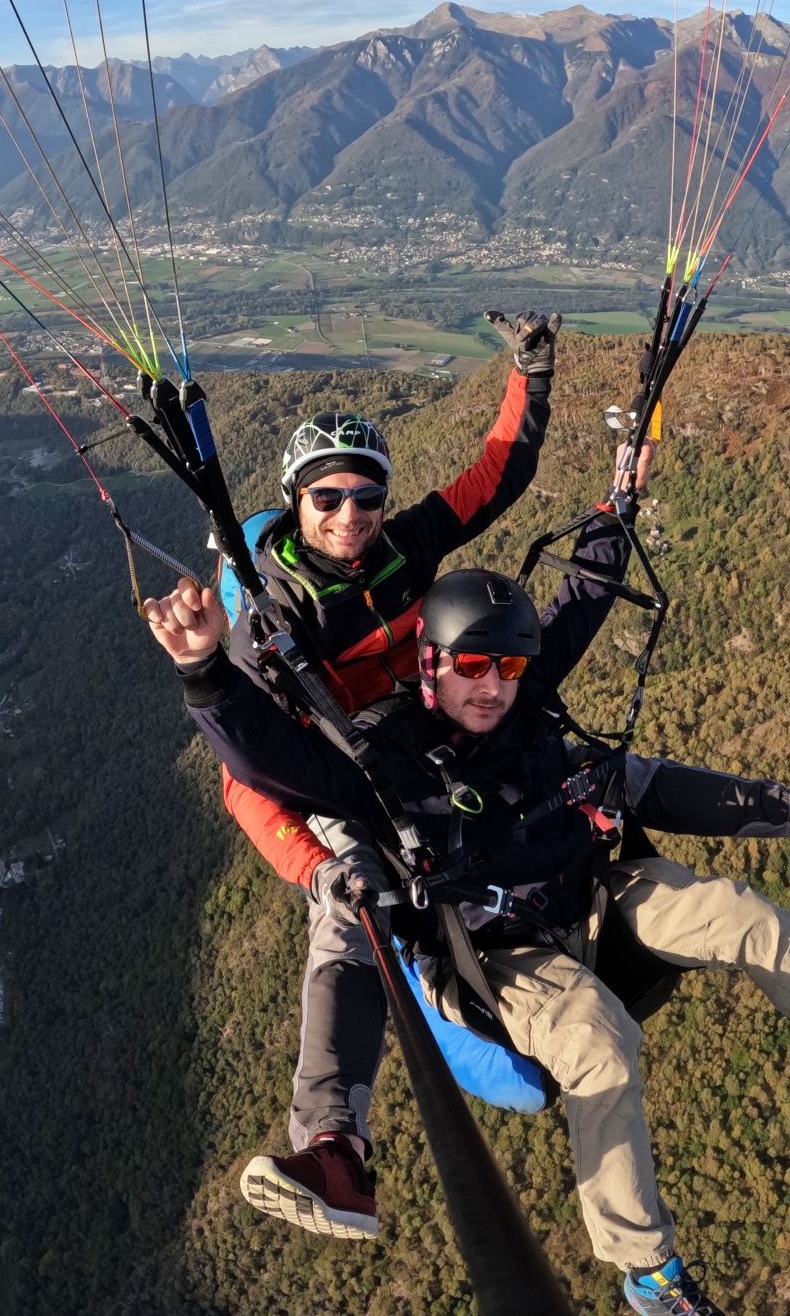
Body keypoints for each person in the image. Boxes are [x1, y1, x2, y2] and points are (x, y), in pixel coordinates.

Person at [144, 541, 790, 1315]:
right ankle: (649, 1272)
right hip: (496, 955)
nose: (493, 684)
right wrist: (206, 671)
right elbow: (278, 764)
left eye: (508, 666)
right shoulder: (387, 758)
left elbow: (624, 716)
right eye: (473, 666)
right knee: (598, 1037)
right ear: (429, 666)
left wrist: (614, 522)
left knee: (740, 914)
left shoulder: (532, 723)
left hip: (590, 900)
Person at [211, 308, 562, 1238]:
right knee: (351, 909)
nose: (350, 517)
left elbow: (498, 476)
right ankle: (336, 1149)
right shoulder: (270, 614)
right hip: (329, 776)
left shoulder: (405, 546)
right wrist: (311, 864)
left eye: (365, 498)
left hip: (413, 740)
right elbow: (246, 772)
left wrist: (530, 371)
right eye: (327, 499)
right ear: (296, 502)